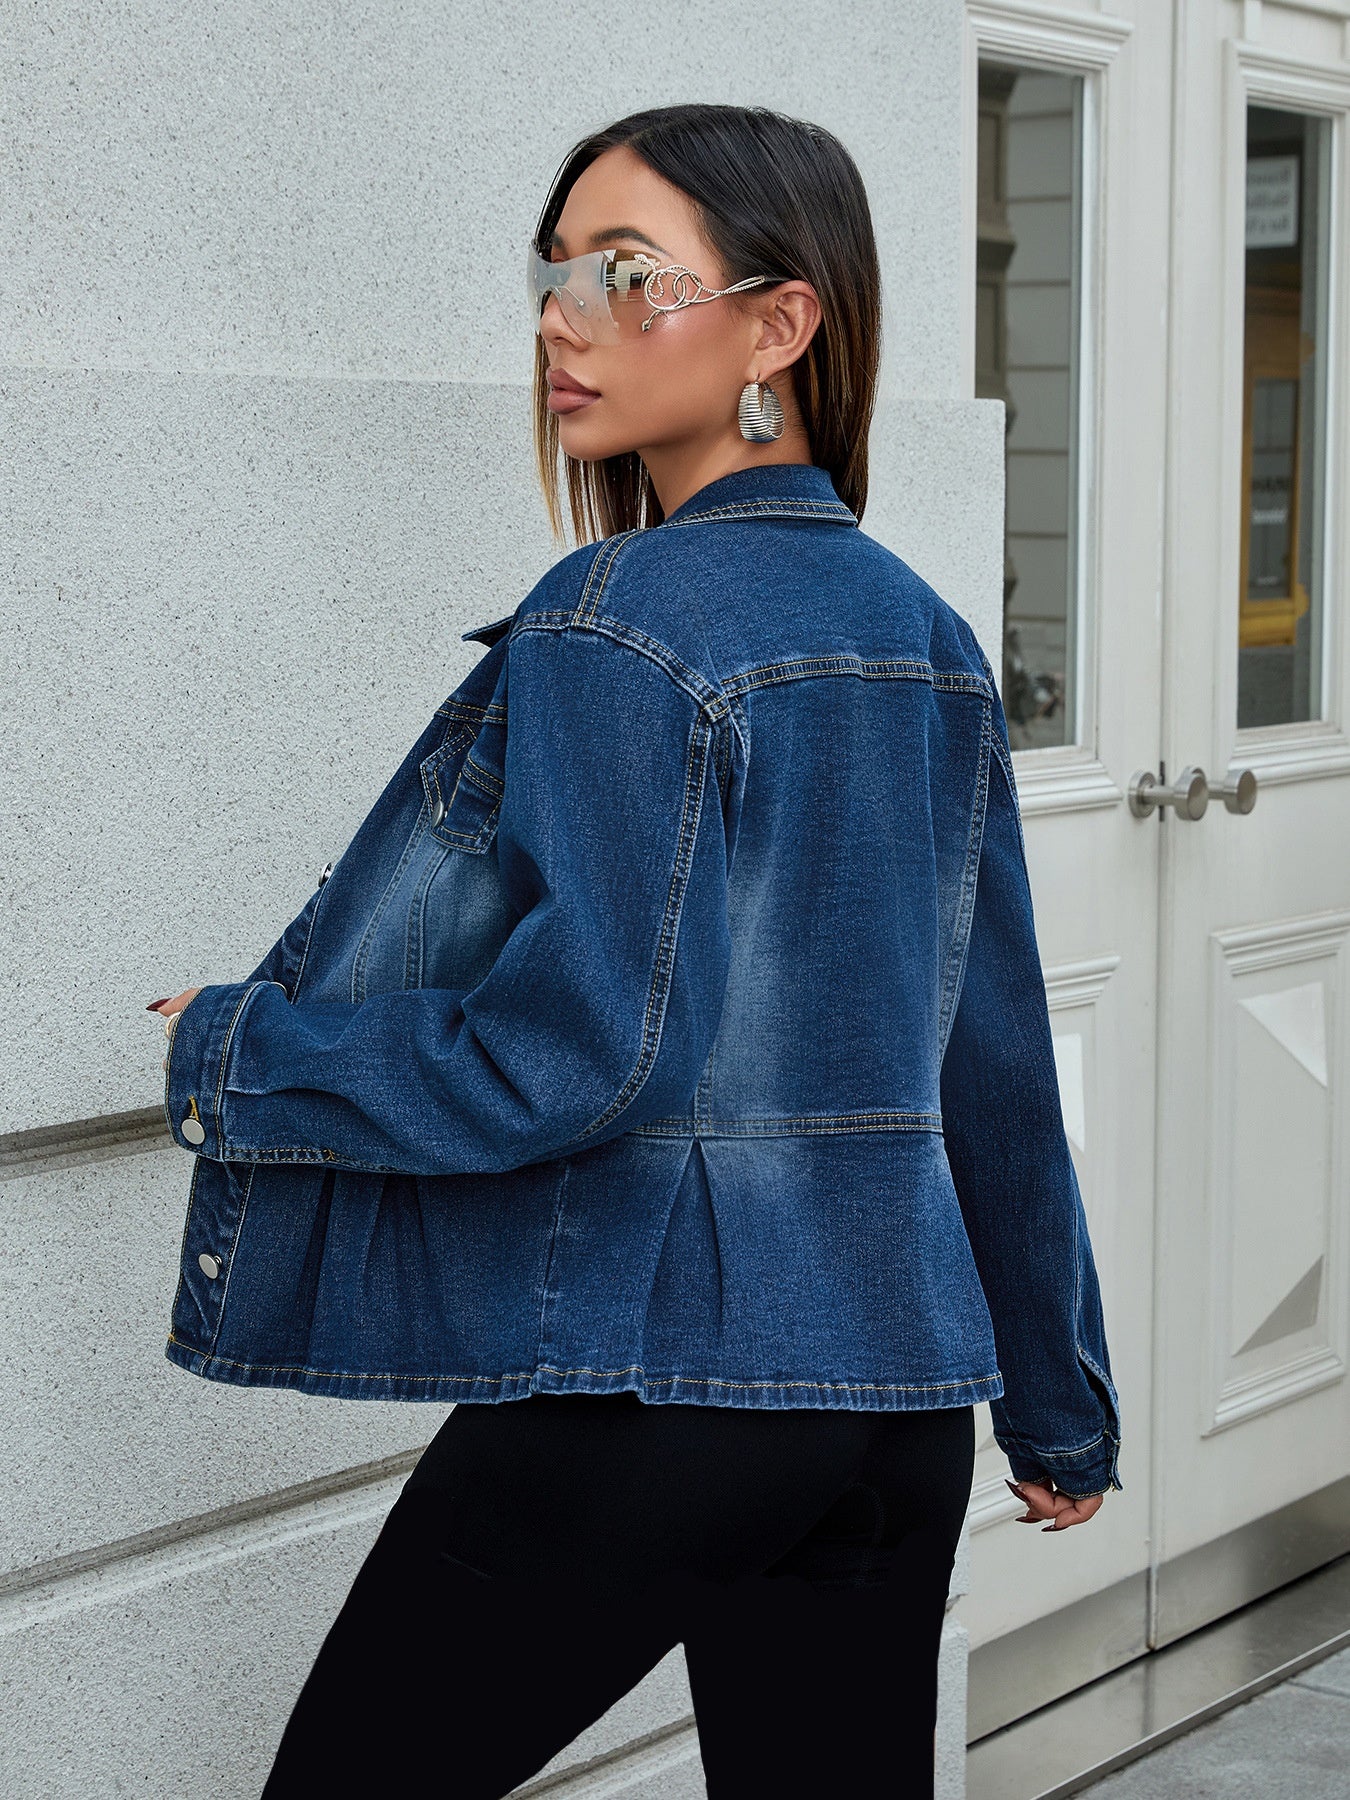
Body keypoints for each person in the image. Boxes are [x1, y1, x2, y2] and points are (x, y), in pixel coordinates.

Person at [148, 102, 1122, 1798]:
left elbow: (577, 1050)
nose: (558, 320)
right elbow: (995, 1053)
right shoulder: (926, 634)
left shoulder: (613, 621)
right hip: (894, 1406)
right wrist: (1051, 1397)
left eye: (623, 277)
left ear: (779, 323)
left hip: (660, 1392)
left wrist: (244, 1049)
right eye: (551, 277)